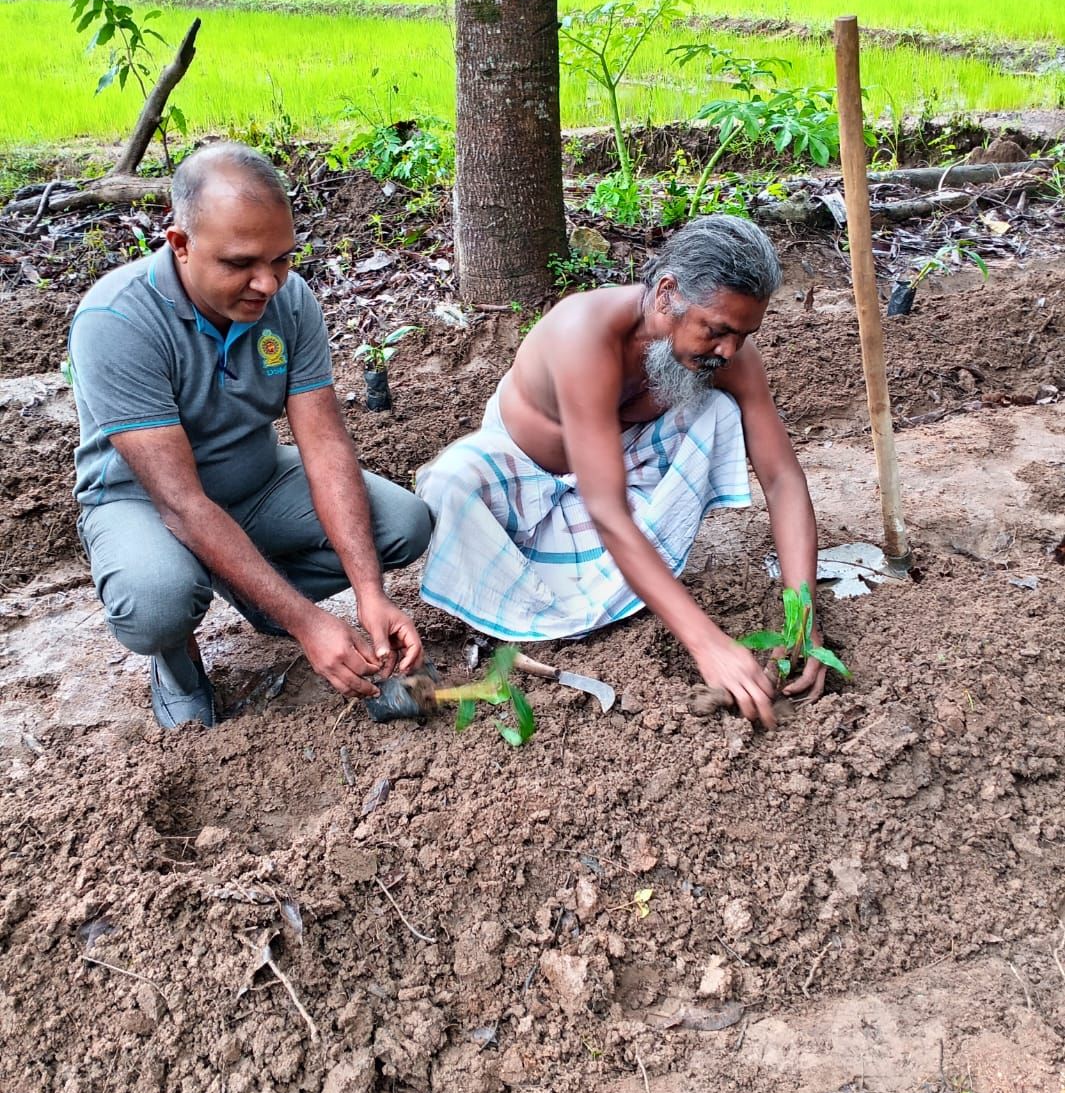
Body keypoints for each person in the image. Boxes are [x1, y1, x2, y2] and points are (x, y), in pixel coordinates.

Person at [68, 142, 431, 729]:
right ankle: (178, 659)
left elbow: (324, 445)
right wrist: (307, 622)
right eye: (240, 264)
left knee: (402, 525)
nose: (267, 283)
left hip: (254, 482)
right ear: (180, 244)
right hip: (146, 503)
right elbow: (181, 503)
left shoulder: (289, 301)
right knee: (158, 601)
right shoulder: (118, 321)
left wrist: (370, 593)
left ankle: (261, 597)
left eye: (281, 259)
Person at [416, 215, 824, 730]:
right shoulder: (585, 335)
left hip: (617, 478)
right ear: (667, 295)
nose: (730, 351)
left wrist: (803, 617)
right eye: (718, 331)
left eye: (744, 335)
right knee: (450, 481)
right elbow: (606, 512)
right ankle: (535, 605)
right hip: (525, 481)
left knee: (718, 410)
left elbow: (783, 479)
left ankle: (606, 589)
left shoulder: (728, 356)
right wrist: (708, 644)